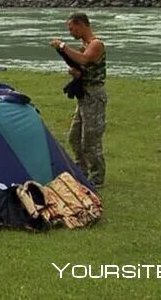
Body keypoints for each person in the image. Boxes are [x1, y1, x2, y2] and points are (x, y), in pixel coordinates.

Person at [51, 12, 107, 188]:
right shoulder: (84, 45)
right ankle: (81, 171)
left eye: (72, 28)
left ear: (81, 24)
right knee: (74, 136)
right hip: (84, 95)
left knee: (90, 139)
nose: (71, 32)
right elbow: (82, 66)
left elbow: (84, 59)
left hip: (94, 96)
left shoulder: (96, 44)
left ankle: (97, 178)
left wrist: (63, 46)